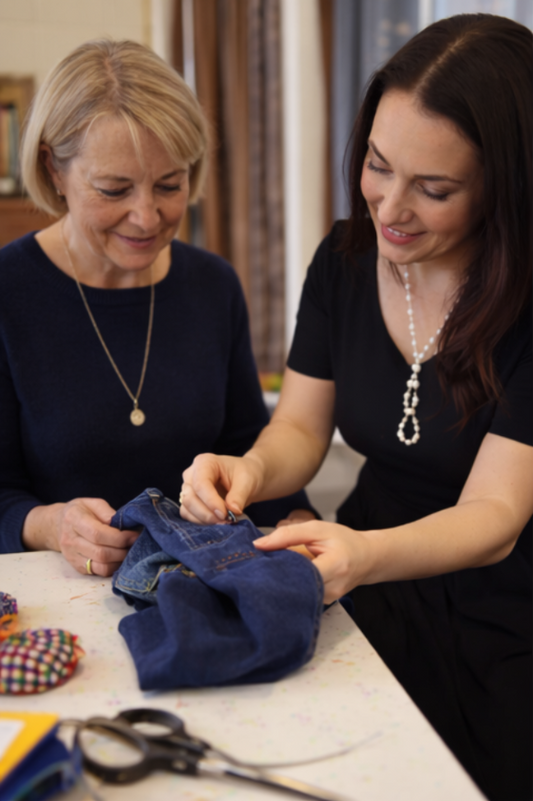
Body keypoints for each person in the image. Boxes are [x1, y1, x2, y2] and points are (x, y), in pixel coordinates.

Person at [180, 14, 532, 801]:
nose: (389, 207)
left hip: (504, 603)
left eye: (433, 189)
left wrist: (363, 552)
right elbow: (302, 427)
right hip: (369, 570)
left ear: (505, 188)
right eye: (377, 165)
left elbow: (496, 514)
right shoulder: (343, 259)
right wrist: (249, 466)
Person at [0, 40, 315, 576]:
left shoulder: (213, 285)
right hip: (62, 590)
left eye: (170, 184)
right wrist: (52, 525)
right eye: (114, 189)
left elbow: (246, 447)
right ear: (54, 169)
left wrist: (295, 516)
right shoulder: (9, 291)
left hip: (205, 582)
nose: (147, 218)